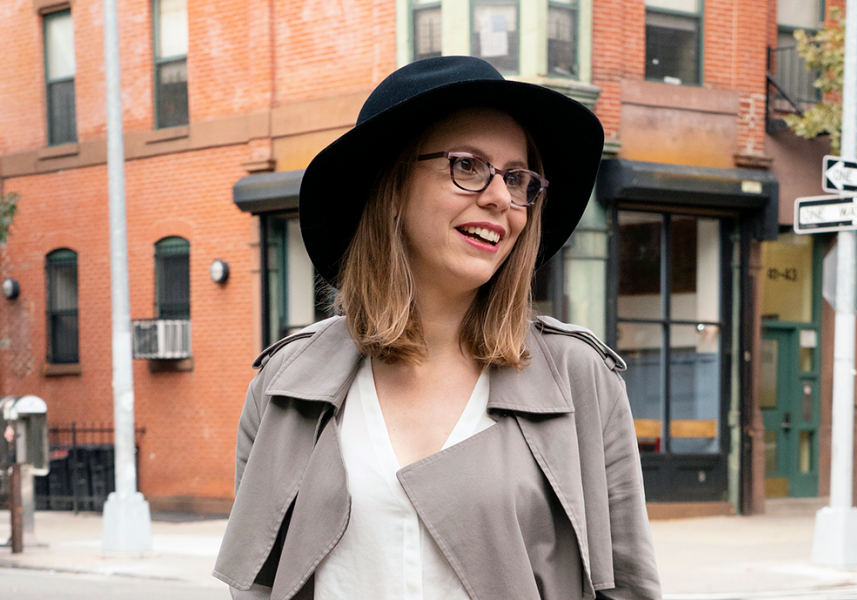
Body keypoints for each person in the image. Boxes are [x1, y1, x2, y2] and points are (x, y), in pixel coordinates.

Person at [213, 56, 661, 600]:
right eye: (468, 166)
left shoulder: (579, 379)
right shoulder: (287, 385)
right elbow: (256, 582)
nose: (501, 198)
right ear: (391, 186)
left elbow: (628, 587)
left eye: (518, 179)